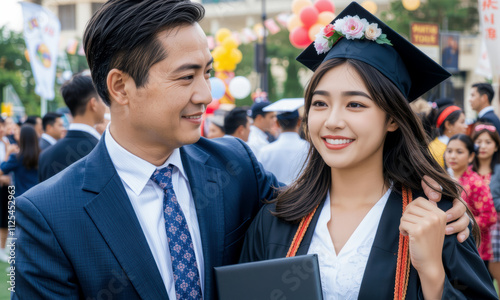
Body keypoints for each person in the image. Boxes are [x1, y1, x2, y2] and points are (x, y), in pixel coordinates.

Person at [13, 1, 470, 299]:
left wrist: (441, 207)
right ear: (120, 87)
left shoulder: (234, 168)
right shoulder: (49, 214)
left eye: (208, 72)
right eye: (186, 76)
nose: (206, 93)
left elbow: (323, 200)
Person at [240, 3, 495, 299]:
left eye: (355, 104)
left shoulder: (435, 221)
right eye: (320, 103)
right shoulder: (276, 218)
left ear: (392, 119)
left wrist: (432, 274)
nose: (332, 121)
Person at [38, 74, 106, 182]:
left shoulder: (45, 155)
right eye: (102, 99)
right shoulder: (103, 150)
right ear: (93, 104)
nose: (105, 105)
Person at [444, 134, 497, 266]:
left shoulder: (475, 183)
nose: (452, 156)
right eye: (449, 151)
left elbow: (490, 216)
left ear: (471, 156)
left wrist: (466, 222)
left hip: (473, 247)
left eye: (459, 152)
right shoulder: (442, 179)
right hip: (449, 246)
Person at [472, 124, 500, 294]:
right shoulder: (467, 171)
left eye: (488, 142)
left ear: (496, 145)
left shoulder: (498, 172)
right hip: (474, 235)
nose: (482, 146)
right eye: (478, 141)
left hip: (496, 235)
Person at [257, 100, 309, 185]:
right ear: (299, 122)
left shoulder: (265, 151)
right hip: (304, 197)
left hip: (274, 197)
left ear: (277, 123)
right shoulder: (310, 149)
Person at [0, 125, 39, 196]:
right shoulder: (41, 154)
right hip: (36, 195)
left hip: (21, 196)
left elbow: (1, 170)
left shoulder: (16, 157)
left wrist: (8, 153)